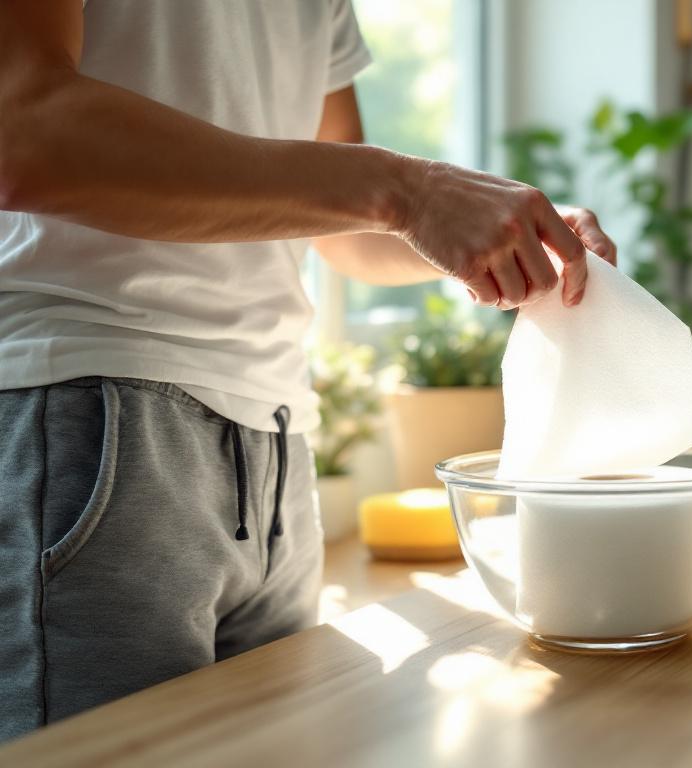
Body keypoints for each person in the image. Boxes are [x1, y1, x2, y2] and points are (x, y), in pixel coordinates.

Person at [0, 0, 616, 741]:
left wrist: (490, 224)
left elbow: (345, 232)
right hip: (96, 416)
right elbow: (22, 128)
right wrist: (408, 189)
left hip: (277, 443)